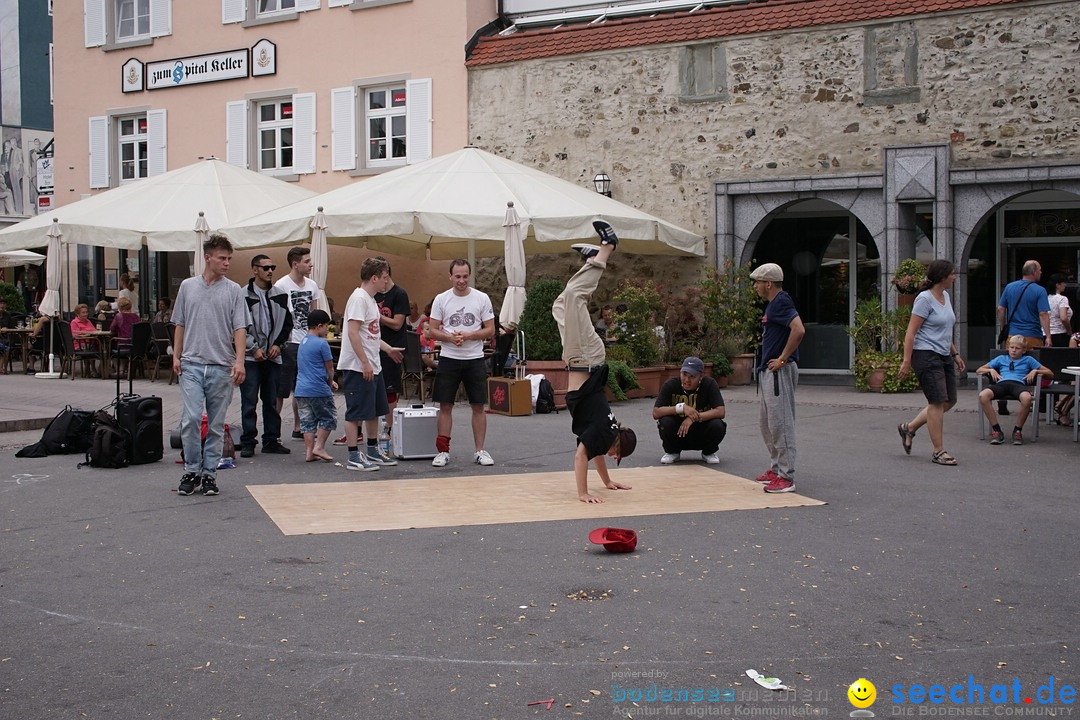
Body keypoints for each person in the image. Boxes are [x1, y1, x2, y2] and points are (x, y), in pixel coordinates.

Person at [553, 220, 636, 503]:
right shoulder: (604, 433)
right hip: (587, 357)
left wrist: (608, 481)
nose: (613, 458)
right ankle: (606, 248)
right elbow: (582, 456)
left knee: (561, 306)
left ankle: (591, 260)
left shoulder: (606, 434)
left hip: (580, 358)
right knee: (576, 296)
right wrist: (584, 493)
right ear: (618, 445)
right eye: (618, 456)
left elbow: (597, 455)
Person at [172, 232, 247, 497]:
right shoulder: (187, 286)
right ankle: (191, 469)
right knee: (191, 419)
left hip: (221, 365)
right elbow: (179, 322)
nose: (227, 263)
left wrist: (239, 361)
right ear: (208, 258)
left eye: (229, 258)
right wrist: (176, 355)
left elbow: (240, 327)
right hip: (192, 363)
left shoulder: (234, 290)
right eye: (222, 258)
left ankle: (210, 474)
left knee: (216, 424)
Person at [427, 259, 497, 468]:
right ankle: (443, 451)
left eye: (465, 276)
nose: (461, 280)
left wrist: (469, 335)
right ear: (450, 276)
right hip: (449, 358)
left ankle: (480, 450)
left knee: (478, 405)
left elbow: (490, 329)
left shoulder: (481, 298)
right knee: (445, 405)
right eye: (457, 276)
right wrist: (450, 338)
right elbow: (432, 329)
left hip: (474, 358)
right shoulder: (441, 299)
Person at [897, 259, 966, 467]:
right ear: (943, 277)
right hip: (925, 355)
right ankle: (938, 451)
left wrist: (955, 354)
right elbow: (911, 332)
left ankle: (909, 428)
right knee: (936, 402)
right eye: (952, 274)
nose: (955, 277)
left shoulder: (945, 296)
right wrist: (906, 361)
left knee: (949, 401)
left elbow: (944, 329)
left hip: (944, 354)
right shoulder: (924, 299)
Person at [337, 257, 404, 471]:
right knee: (356, 412)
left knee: (375, 409)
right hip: (359, 366)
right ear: (374, 278)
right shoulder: (359, 298)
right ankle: (353, 455)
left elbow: (371, 335)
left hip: (374, 365)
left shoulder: (371, 300)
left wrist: (387, 349)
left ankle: (373, 450)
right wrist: (364, 362)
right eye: (384, 278)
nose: (386, 282)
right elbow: (353, 332)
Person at [751, 262, 805, 493]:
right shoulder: (774, 305)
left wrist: (782, 358)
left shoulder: (781, 301)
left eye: (757, 282)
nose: (755, 286)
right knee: (768, 424)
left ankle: (786, 476)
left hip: (778, 371)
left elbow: (799, 329)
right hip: (769, 371)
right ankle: (775, 469)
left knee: (780, 422)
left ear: (768, 283)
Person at [239, 254, 293, 458]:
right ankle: (248, 441)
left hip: (273, 355)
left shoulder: (279, 294)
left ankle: (271, 439)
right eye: (266, 267)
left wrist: (278, 345)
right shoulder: (242, 295)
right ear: (255, 270)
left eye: (273, 267)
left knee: (271, 400)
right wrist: (253, 348)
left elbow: (288, 323)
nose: (270, 271)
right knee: (249, 400)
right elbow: (238, 326)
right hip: (252, 357)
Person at [274, 246, 322, 441]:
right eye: (306, 261)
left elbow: (315, 315)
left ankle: (299, 425)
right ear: (295, 264)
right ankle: (274, 429)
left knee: (302, 387)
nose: (311, 264)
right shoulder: (281, 285)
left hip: (306, 342)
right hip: (289, 342)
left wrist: (315, 340)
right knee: (281, 388)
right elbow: (277, 316)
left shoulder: (312, 285)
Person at [975, 335, 1052, 445]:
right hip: (1002, 384)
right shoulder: (1001, 358)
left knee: (1027, 398)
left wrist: (1035, 371)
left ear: (1024, 350)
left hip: (1018, 385)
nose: (1014, 350)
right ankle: (996, 430)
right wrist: (991, 370)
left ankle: (1017, 431)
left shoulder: (1028, 360)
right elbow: (979, 370)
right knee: (983, 395)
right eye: (1012, 347)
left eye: (1017, 348)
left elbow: (1050, 373)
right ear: (1008, 348)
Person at [652, 356, 726, 464]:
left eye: (692, 376)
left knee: (717, 424)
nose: (687, 380)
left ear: (701, 376)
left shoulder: (709, 384)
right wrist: (680, 408)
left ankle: (708, 452)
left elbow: (720, 411)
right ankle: (672, 452)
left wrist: (693, 418)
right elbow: (656, 412)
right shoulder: (670, 384)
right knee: (665, 421)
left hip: (701, 431)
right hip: (678, 432)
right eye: (684, 374)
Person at [373, 259, 410, 444]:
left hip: (393, 348)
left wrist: (377, 317)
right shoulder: (373, 293)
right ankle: (361, 430)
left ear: (386, 275)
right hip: (374, 346)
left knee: (390, 391)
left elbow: (397, 324)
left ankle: (388, 429)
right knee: (370, 389)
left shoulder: (400, 294)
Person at [295, 309, 338, 463]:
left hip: (301, 389)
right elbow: (329, 369)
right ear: (319, 326)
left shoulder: (303, 342)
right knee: (328, 417)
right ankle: (319, 446)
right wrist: (330, 382)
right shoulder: (322, 344)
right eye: (326, 326)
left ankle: (309, 451)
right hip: (318, 388)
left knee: (307, 421)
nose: (327, 329)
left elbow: (309, 366)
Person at [1047, 274, 1073, 347]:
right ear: (1057, 285)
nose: (1065, 285)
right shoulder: (1062, 299)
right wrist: (1069, 331)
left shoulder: (1045, 298)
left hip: (1046, 334)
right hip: (1060, 334)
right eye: (1063, 283)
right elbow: (1064, 318)